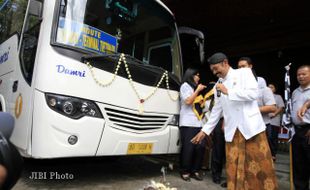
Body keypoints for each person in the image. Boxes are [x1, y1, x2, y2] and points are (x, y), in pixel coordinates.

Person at [191, 52, 278, 190]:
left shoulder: (244, 73)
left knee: (258, 169)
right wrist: (204, 131)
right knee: (233, 168)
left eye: (216, 68)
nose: (214, 72)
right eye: (212, 70)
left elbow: (253, 94)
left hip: (251, 129)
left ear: (225, 63)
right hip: (232, 132)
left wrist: (229, 92)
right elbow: (216, 111)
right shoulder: (218, 85)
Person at [237, 58, 277, 161]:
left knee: (262, 158)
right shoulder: (237, 86)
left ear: (250, 66)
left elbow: (273, 107)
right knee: (247, 158)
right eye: (239, 67)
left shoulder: (263, 87)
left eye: (243, 66)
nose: (241, 69)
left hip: (262, 126)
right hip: (244, 127)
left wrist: (251, 110)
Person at [179, 68, 206, 181]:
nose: (198, 78)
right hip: (188, 123)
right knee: (189, 148)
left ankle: (195, 170)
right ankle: (185, 171)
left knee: (200, 147)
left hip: (198, 123)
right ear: (191, 75)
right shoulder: (185, 86)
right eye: (197, 75)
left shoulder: (193, 88)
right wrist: (198, 90)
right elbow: (188, 101)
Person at [291, 65, 310, 190]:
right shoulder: (294, 92)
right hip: (296, 131)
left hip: (309, 130)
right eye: (298, 74)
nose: (301, 76)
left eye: (304, 74)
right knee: (299, 164)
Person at [268, 83, 285, 161]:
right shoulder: (265, 97)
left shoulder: (277, 97)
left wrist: (274, 113)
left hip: (274, 121)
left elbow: (281, 107)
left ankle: (273, 154)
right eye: (268, 87)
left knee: (273, 137)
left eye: (271, 87)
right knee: (267, 138)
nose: (269, 88)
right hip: (265, 121)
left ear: (275, 89)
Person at [210, 118, 226, 186]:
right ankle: (216, 175)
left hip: (234, 122)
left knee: (231, 154)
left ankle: (231, 178)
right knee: (218, 150)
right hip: (220, 121)